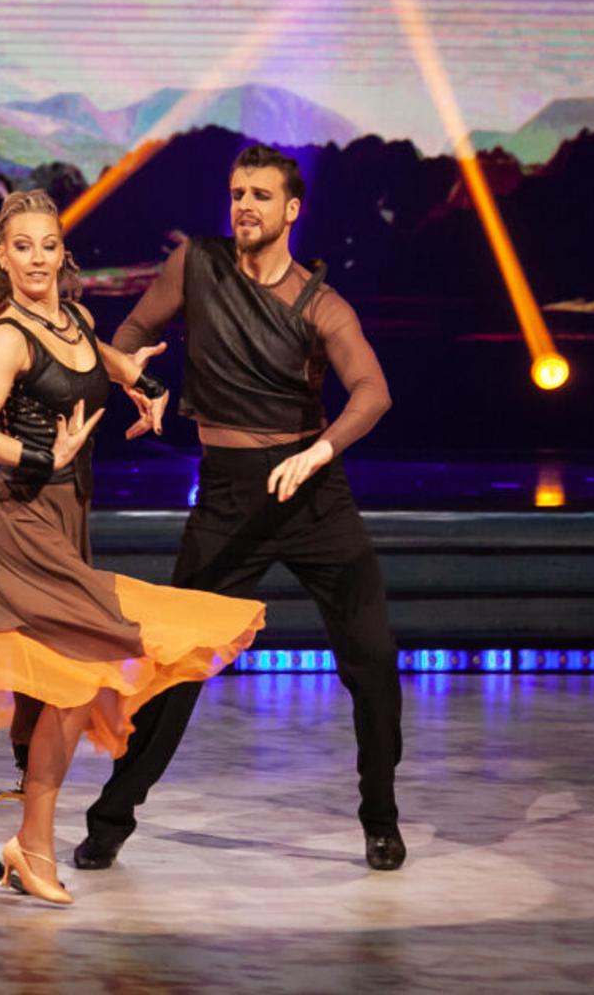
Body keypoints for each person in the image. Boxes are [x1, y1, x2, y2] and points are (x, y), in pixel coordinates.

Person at [0, 189, 265, 905]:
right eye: (23, 247)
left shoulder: (74, 319)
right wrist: (42, 455)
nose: (37, 259)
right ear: (3, 258)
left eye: (49, 246)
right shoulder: (6, 338)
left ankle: (29, 842)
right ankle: (33, 844)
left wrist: (144, 381)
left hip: (67, 522)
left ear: (64, 255)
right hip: (23, 526)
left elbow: (96, 357)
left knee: (58, 687)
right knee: (79, 672)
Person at [73, 144, 406, 873]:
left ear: (292, 209)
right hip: (227, 495)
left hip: (311, 492)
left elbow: (373, 392)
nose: (245, 206)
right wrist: (136, 382)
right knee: (178, 664)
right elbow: (127, 338)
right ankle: (111, 819)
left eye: (260, 195)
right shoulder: (196, 265)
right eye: (236, 194)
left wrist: (320, 452)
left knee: (374, 660)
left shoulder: (321, 304)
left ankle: (380, 818)